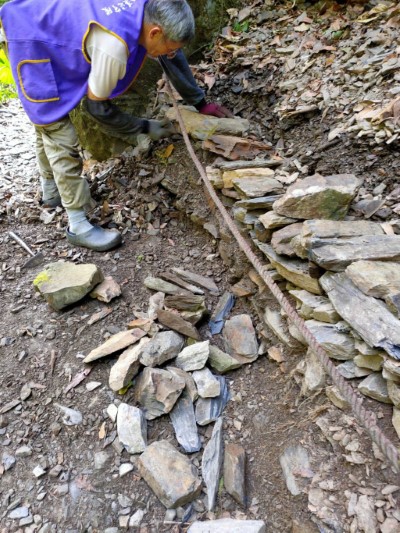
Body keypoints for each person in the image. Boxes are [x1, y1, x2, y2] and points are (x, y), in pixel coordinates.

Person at [0, 0, 232, 251]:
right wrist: (146, 127)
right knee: (54, 125)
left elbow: (172, 57)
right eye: (169, 47)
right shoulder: (113, 45)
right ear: (155, 32)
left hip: (47, 23)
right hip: (26, 36)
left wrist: (199, 102)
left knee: (46, 121)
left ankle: (51, 193)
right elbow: (98, 108)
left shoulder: (150, 10)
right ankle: (77, 225)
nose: (170, 53)